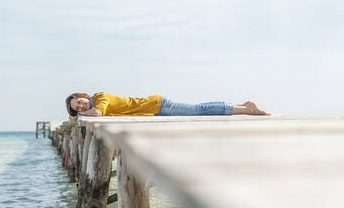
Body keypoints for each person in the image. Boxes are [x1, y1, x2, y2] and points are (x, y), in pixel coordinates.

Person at [66, 92, 270, 120]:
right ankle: (242, 105)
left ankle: (247, 110)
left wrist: (77, 118)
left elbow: (98, 113)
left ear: (84, 96)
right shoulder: (93, 103)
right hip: (153, 109)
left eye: (80, 103)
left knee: (198, 110)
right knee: (197, 109)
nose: (81, 107)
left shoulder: (99, 97)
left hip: (156, 105)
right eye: (77, 108)